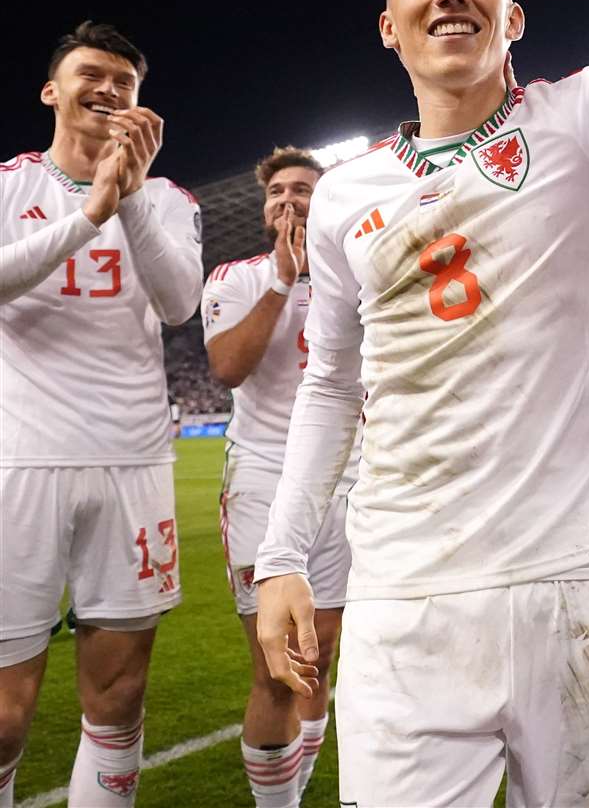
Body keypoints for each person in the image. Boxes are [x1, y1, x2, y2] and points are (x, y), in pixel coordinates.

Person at [250, 0, 589, 807]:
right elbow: (332, 384)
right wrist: (281, 559)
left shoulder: (583, 120)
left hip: (575, 591)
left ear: (514, 13)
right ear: (390, 24)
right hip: (405, 601)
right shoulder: (346, 193)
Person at [0, 22, 203, 807]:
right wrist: (88, 214)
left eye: (126, 82)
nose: (110, 90)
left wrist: (128, 199)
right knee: (6, 718)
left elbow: (180, 300)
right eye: (93, 75)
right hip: (20, 464)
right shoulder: (11, 184)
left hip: (133, 466)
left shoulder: (169, 200)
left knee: (117, 702)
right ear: (53, 89)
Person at [203, 147, 355, 806]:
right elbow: (229, 368)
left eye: (303, 190)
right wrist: (282, 280)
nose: (288, 200)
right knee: (276, 666)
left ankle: (302, 776)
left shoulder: (354, 276)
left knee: (321, 653)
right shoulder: (235, 278)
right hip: (263, 480)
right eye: (278, 192)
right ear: (265, 209)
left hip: (348, 482)